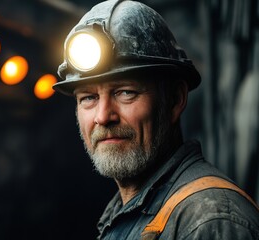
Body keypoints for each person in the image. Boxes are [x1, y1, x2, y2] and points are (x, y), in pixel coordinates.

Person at [52, 0, 259, 239]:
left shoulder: (210, 221)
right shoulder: (129, 217)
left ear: (174, 100)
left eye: (126, 92)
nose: (103, 116)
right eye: (88, 98)